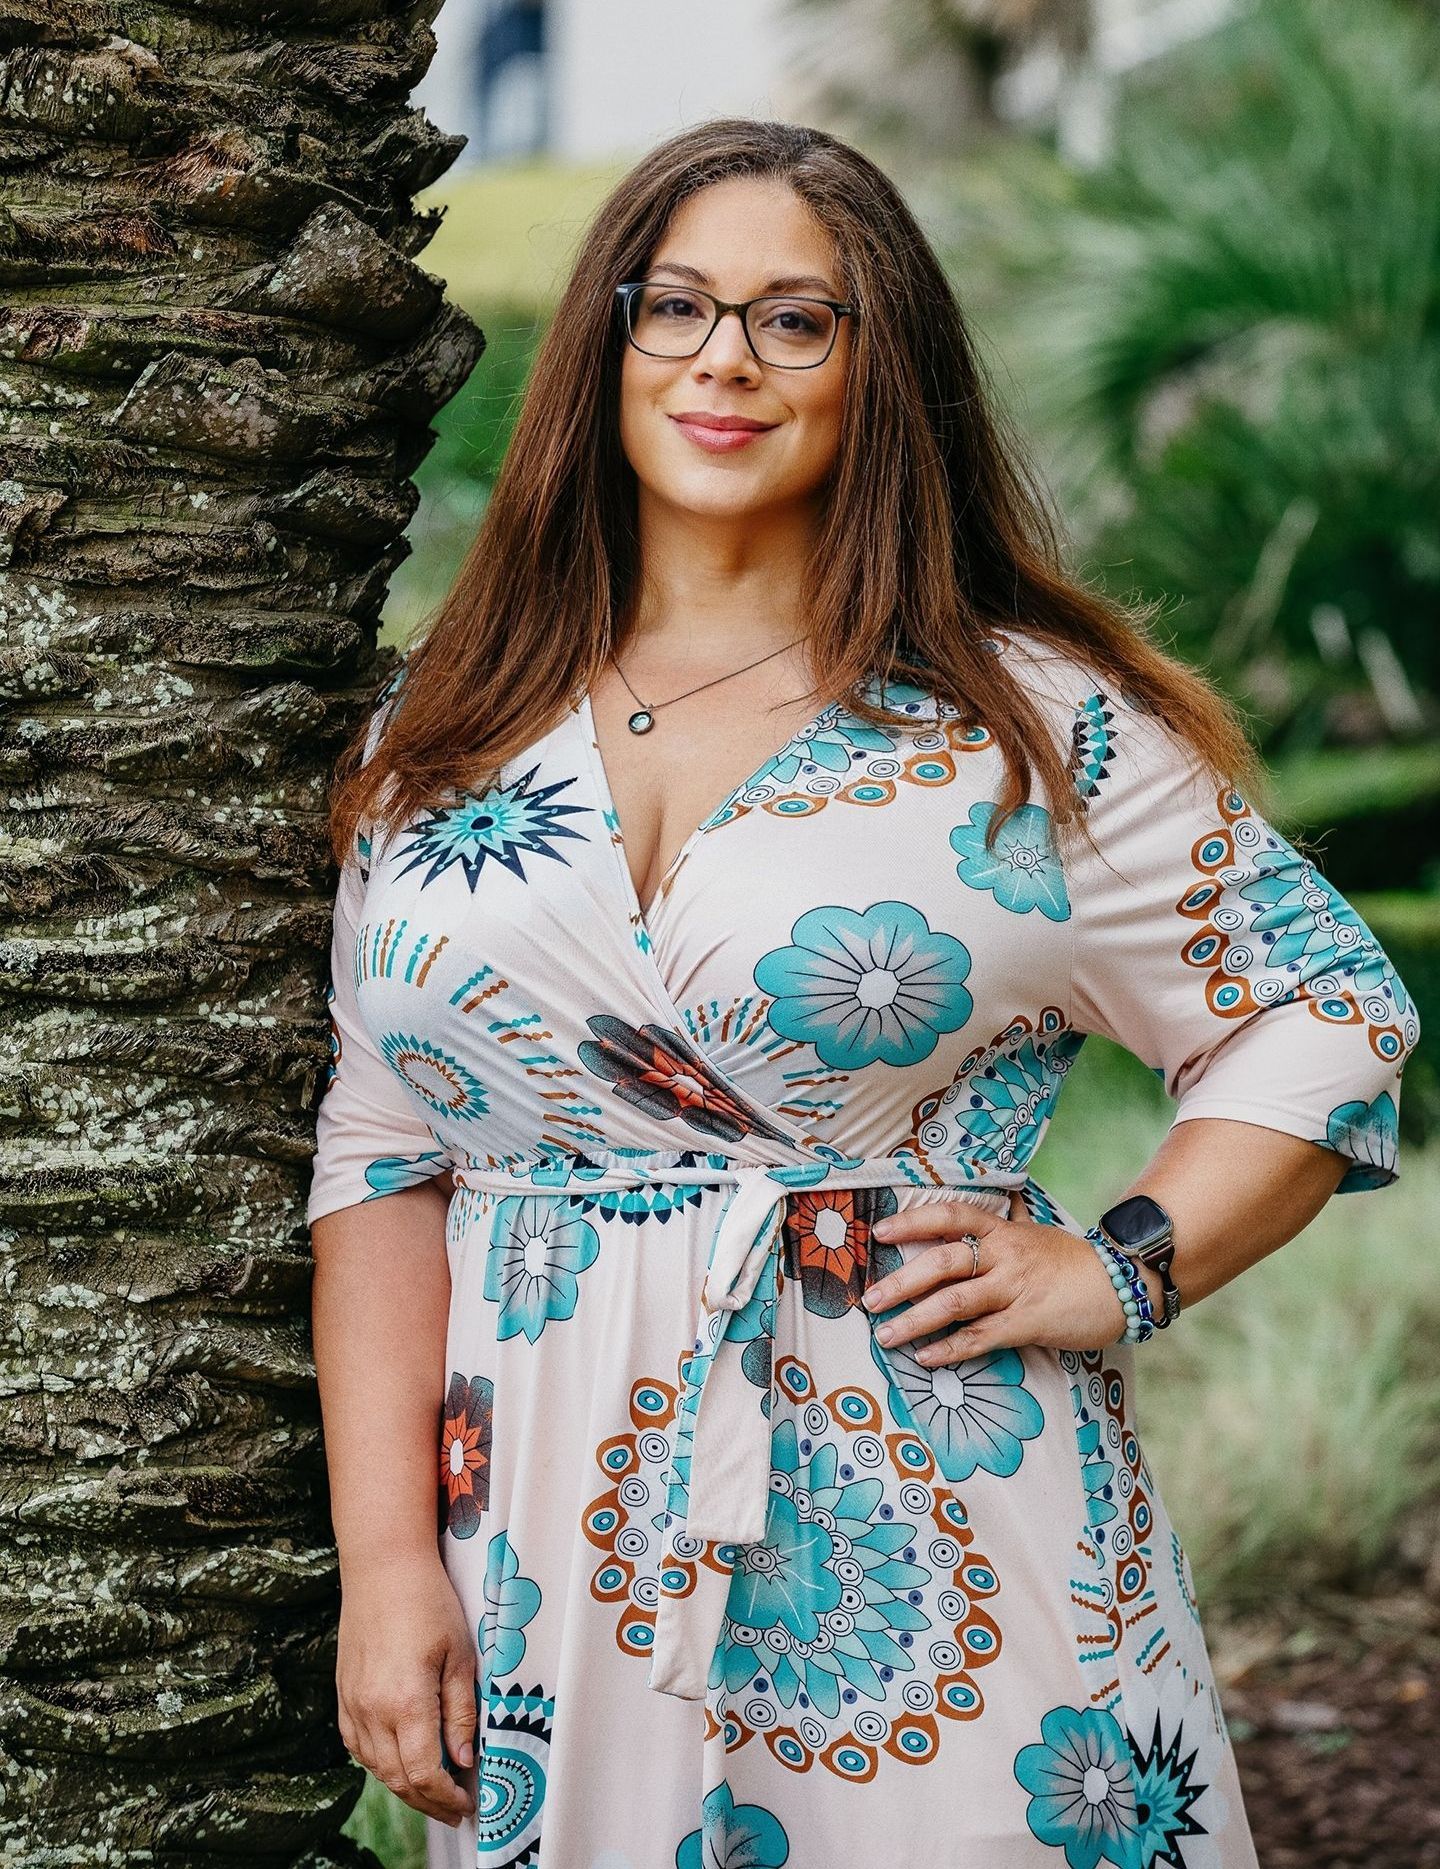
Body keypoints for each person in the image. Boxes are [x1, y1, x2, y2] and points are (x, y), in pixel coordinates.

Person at [305, 118, 1419, 1869]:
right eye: (672, 305)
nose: (724, 360)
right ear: (603, 341)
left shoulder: (1025, 730)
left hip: (945, 1518)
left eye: (797, 319)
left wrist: (1122, 1261)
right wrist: (387, 1571)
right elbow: (379, 1150)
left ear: (881, 369)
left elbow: (1324, 1008)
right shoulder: (444, 735)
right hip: (545, 1538)